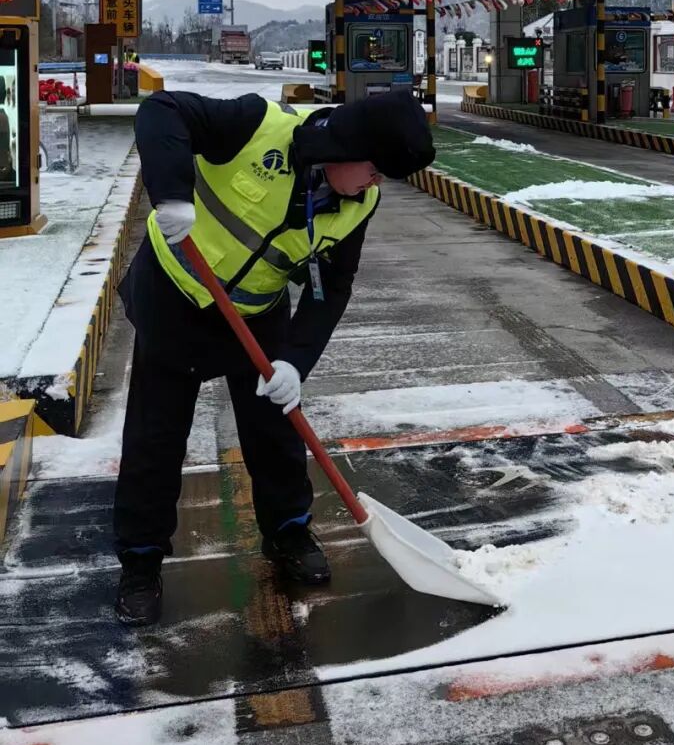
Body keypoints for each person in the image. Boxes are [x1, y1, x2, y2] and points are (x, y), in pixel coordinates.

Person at [113, 87, 435, 627]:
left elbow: (330, 288)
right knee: (155, 435)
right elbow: (162, 109)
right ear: (347, 147)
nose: (374, 185)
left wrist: (295, 361)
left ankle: (288, 532)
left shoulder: (359, 204)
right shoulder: (256, 125)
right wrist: (170, 192)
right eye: (375, 170)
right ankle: (140, 564)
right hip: (175, 295)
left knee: (276, 431)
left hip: (255, 316)